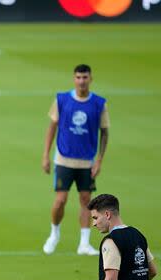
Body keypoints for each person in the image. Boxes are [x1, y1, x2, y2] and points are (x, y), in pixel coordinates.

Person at [42, 64, 109, 256]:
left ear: (90, 79)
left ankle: (84, 243)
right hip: (64, 159)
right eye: (78, 77)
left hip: (87, 161)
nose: (81, 81)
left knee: (87, 201)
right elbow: (51, 128)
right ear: (74, 79)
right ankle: (54, 234)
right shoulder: (62, 100)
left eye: (85, 77)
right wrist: (46, 155)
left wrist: (99, 160)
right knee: (60, 200)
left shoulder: (98, 103)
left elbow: (104, 133)